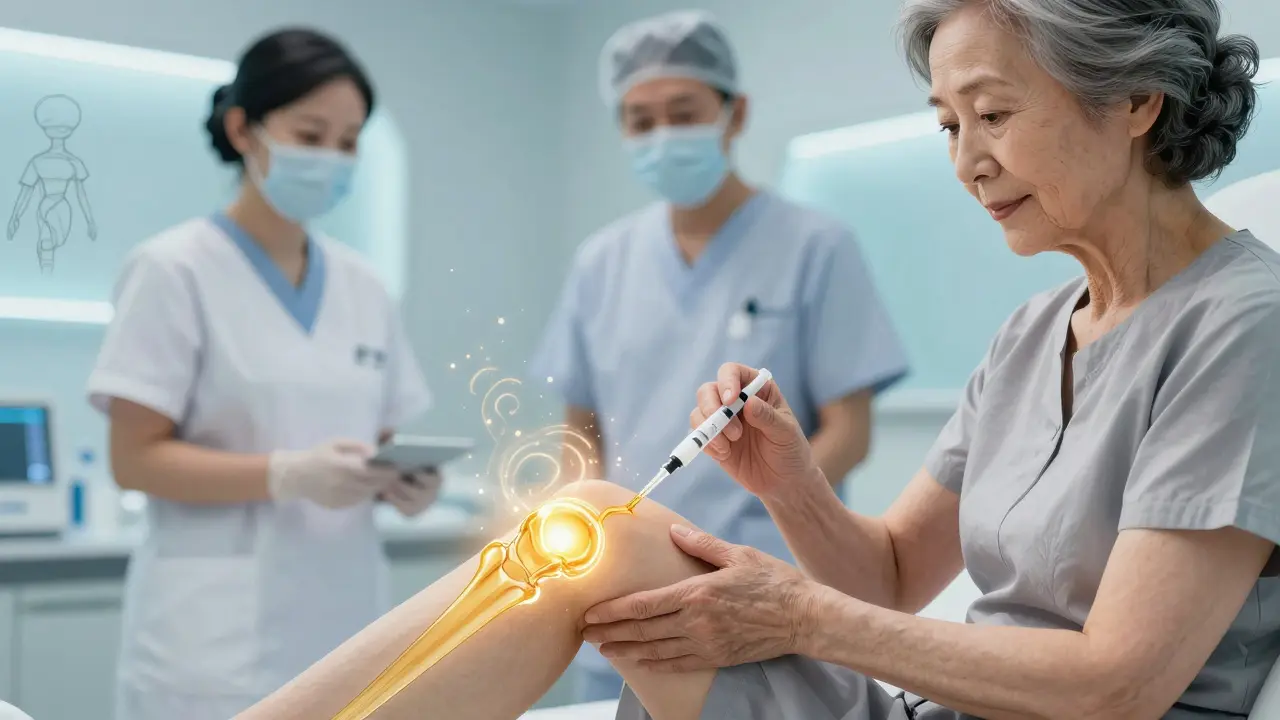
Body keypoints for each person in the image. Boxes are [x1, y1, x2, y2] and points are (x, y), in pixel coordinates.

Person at [234, 0, 1279, 718]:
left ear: (1133, 99)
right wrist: (789, 483)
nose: (966, 161)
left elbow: (1117, 688)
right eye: (948, 123)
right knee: (593, 522)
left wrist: (798, 616)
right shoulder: (1030, 333)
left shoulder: (1241, 326)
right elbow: (892, 576)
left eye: (993, 115)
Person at [530, 9, 909, 702]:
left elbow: (849, 430)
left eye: (682, 112)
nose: (661, 135)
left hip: (758, 582)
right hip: (620, 588)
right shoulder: (601, 262)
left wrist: (775, 511)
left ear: (735, 114)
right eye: (640, 121)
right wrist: (569, 543)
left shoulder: (815, 246)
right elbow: (580, 434)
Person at [86, 28, 438, 720]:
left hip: (346, 626)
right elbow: (134, 460)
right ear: (243, 128)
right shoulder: (174, 270)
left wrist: (405, 482)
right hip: (213, 647)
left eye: (348, 141)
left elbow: (383, 434)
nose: (332, 159)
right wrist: (285, 474)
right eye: (312, 133)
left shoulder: (363, 284)